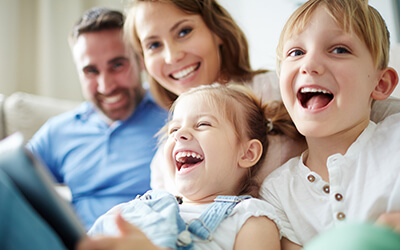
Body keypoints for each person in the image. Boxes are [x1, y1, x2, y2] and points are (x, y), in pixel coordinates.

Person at [123, 0, 400, 195]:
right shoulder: (167, 158)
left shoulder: (282, 86)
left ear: (216, 31)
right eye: (154, 45)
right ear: (144, 61)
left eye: (184, 32)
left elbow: (368, 110)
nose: (172, 56)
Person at [78, 84, 301, 250]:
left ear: (247, 153)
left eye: (203, 124)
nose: (180, 134)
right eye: (173, 130)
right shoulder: (145, 206)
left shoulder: (251, 218)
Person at [260, 0, 400, 249]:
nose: (310, 65)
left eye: (339, 50)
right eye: (296, 53)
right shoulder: (278, 191)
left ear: (380, 84)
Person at [27, 7, 168, 230]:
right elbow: (12, 179)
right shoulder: (59, 131)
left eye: (117, 65)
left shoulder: (176, 117)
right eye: (91, 71)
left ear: (140, 59)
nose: (106, 86)